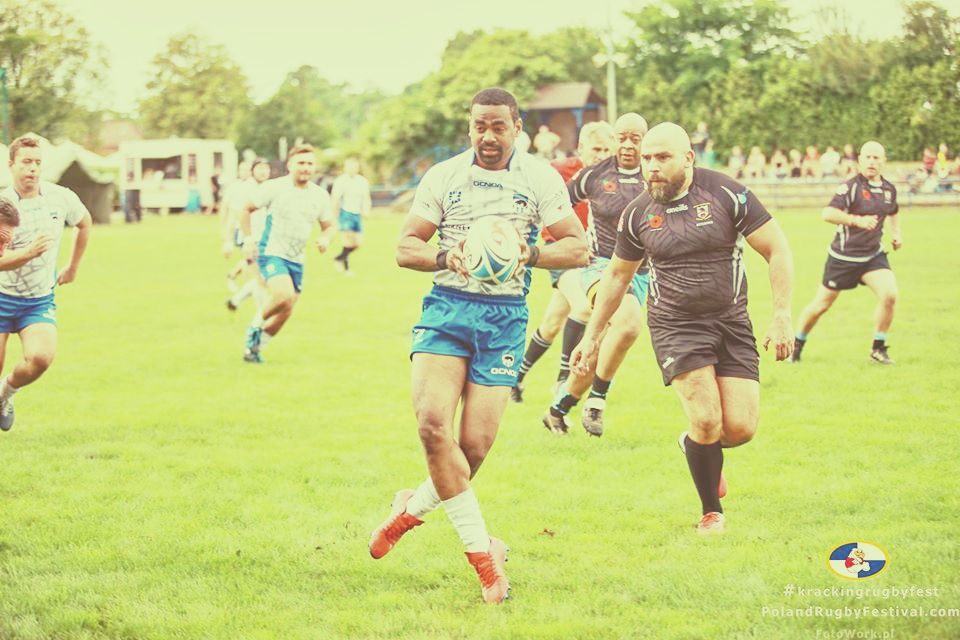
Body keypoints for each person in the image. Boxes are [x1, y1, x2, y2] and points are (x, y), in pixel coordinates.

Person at [368, 87, 588, 604]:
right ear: (470, 128)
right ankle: (487, 565)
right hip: (448, 309)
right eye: (479, 127)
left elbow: (578, 247)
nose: (488, 137)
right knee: (431, 427)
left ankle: (412, 509)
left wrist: (526, 253)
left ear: (517, 127)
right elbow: (405, 247)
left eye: (498, 127)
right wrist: (449, 256)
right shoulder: (444, 176)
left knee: (469, 451)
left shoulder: (538, 178)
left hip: (505, 319)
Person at [570, 123, 794, 533]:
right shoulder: (637, 213)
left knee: (740, 429)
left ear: (688, 158)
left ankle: (693, 444)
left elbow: (776, 249)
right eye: (647, 159)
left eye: (662, 158)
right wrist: (593, 334)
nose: (651, 167)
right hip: (675, 324)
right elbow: (618, 277)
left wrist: (781, 315)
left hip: (731, 320)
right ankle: (711, 512)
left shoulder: (726, 193)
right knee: (708, 419)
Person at [542, 113, 650, 437]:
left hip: (643, 273)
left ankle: (557, 410)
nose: (629, 144)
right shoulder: (593, 175)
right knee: (629, 325)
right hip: (601, 266)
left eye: (636, 138)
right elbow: (557, 208)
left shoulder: (655, 175)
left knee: (601, 349)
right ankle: (597, 401)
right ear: (614, 139)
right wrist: (572, 242)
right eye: (623, 137)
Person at [511, 120, 615, 403]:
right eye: (596, 149)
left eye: (607, 149)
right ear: (581, 147)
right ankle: (561, 382)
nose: (602, 155)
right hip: (561, 250)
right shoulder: (560, 171)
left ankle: (516, 379)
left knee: (553, 322)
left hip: (591, 257)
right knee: (584, 308)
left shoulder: (613, 178)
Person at [0, 135, 92, 431]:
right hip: (1, 297)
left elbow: (84, 223)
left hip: (38, 300)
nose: (33, 169)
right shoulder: (2, 205)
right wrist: (28, 253)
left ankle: (6, 393)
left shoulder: (60, 198)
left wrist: (74, 267)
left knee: (40, 358)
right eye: (27, 162)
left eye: (38, 163)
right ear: (11, 164)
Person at [791, 141, 901, 365]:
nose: (872, 162)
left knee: (889, 295)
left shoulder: (889, 189)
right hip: (843, 258)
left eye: (876, 158)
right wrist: (856, 220)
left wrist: (897, 234)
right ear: (860, 160)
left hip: (872, 257)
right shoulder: (851, 187)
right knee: (821, 305)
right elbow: (828, 213)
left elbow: (893, 211)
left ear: (883, 161)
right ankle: (797, 345)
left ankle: (878, 348)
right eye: (868, 157)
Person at [240, 145, 334, 363]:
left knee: (287, 309)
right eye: (301, 163)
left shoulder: (319, 195)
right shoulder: (275, 187)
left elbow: (329, 225)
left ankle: (254, 349)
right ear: (290, 165)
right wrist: (248, 238)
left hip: (297, 258)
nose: (305, 168)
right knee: (284, 295)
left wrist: (325, 238)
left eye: (310, 163)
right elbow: (246, 208)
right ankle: (254, 326)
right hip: (271, 251)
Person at [225, 158, 272, 311]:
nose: (263, 171)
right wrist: (228, 240)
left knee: (266, 278)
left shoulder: (273, 188)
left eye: (266, 168)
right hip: (251, 240)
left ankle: (235, 301)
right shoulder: (244, 190)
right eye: (259, 168)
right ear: (253, 170)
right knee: (259, 277)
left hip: (270, 240)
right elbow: (234, 214)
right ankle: (262, 316)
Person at [330, 158, 372, 275]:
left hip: (357, 215)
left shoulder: (362, 181)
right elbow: (335, 199)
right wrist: (334, 216)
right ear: (345, 167)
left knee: (358, 243)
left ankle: (338, 258)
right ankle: (346, 269)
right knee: (348, 240)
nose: (352, 169)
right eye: (350, 166)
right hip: (346, 213)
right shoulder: (340, 181)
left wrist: (366, 209)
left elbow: (366, 197)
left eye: (354, 166)